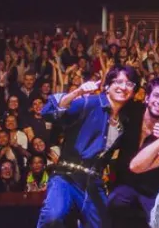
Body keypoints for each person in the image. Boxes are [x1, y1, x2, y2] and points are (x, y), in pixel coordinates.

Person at [35, 66, 140, 228]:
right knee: (53, 217)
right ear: (107, 86)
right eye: (118, 82)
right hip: (66, 177)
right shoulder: (89, 103)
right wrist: (77, 93)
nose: (123, 87)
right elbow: (48, 112)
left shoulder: (124, 121)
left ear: (133, 92)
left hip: (93, 183)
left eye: (129, 84)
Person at [108, 76, 159, 226]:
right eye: (156, 95)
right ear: (147, 97)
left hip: (152, 193)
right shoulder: (131, 113)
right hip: (123, 186)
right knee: (116, 203)